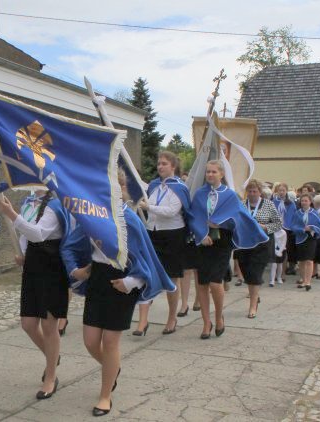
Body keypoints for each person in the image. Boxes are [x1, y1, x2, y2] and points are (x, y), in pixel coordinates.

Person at [62, 169, 175, 416]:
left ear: (121, 189)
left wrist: (132, 282)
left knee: (110, 341)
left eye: (111, 187)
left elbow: (145, 259)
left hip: (123, 282)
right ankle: (111, 369)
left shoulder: (130, 220)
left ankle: (105, 395)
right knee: (91, 341)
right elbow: (69, 246)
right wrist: (75, 270)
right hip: (98, 279)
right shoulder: (92, 216)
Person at [0, 188, 70, 400]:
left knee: (49, 324)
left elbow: (38, 233)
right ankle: (52, 356)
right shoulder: (29, 201)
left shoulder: (55, 204)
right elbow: (26, 234)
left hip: (52, 268)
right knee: (28, 324)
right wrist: (22, 252)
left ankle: (51, 376)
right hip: (33, 266)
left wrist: (11, 213)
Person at [189, 160, 268, 339]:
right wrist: (201, 234)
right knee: (201, 282)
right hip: (203, 240)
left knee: (215, 282)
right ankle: (205, 322)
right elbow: (193, 217)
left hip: (222, 241)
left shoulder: (230, 195)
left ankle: (218, 318)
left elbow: (240, 216)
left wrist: (222, 222)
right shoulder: (200, 194)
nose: (210, 175)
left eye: (213, 172)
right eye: (208, 172)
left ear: (221, 174)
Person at [135, 151, 191, 335]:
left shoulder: (180, 187)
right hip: (154, 233)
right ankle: (143, 321)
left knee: (171, 278)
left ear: (173, 167)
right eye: (159, 163)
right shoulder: (153, 185)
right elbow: (150, 211)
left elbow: (171, 211)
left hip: (173, 235)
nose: (160, 166)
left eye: (164, 164)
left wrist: (148, 206)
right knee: (147, 275)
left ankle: (172, 317)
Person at [234, 180, 282, 318]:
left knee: (255, 273)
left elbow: (279, 223)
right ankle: (255, 294)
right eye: (249, 191)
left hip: (262, 245)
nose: (252, 194)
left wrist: (265, 227)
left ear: (260, 192)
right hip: (245, 244)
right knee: (247, 273)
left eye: (255, 191)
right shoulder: (242, 205)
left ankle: (253, 305)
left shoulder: (268, 204)